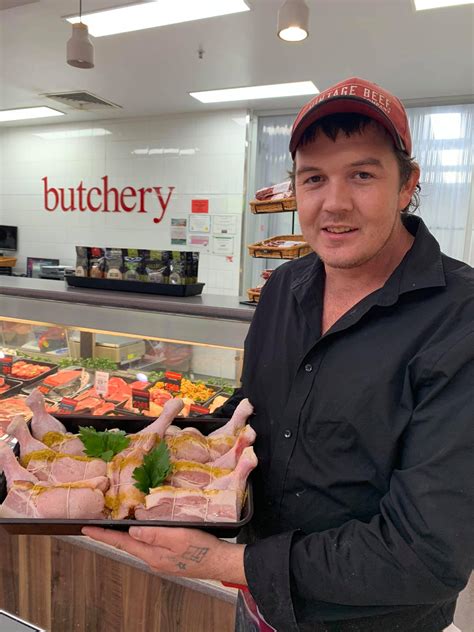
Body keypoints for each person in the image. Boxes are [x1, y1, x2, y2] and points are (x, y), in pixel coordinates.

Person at [83, 77, 474, 632]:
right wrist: (156, 455)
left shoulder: (460, 319)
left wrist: (222, 562)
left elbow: (428, 553)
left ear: (407, 184)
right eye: (314, 178)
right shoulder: (284, 286)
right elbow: (254, 412)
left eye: (362, 175)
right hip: (259, 608)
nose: (334, 203)